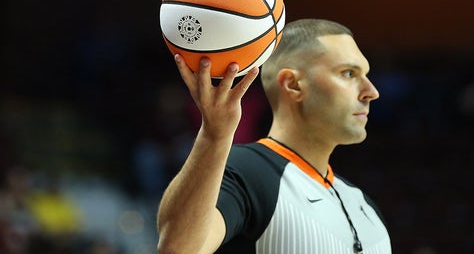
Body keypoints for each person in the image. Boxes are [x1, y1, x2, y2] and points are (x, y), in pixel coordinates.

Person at [156, 19, 392, 254]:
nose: (371, 92)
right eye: (349, 73)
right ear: (293, 84)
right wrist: (213, 137)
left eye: (366, 74)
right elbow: (178, 248)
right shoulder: (244, 171)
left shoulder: (366, 206)